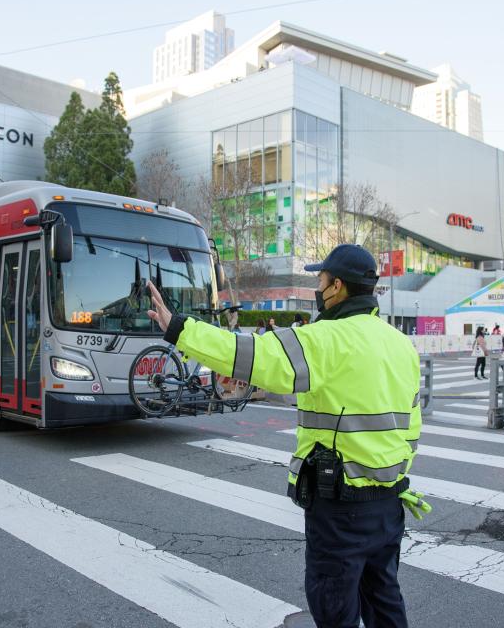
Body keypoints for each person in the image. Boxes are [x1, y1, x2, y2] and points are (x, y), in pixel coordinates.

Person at [146, 244, 427, 628]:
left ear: (338, 287)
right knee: (384, 598)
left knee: (335, 609)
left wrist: (179, 329)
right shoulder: (400, 344)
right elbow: (412, 426)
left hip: (341, 508)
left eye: (322, 280)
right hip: (389, 504)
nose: (318, 287)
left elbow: (250, 354)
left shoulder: (324, 338)